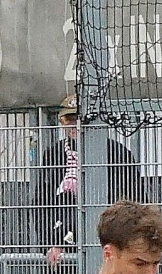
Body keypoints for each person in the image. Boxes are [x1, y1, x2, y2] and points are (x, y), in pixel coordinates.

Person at [31, 97, 148, 264]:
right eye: (68, 119)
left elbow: (135, 198)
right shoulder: (53, 154)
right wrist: (49, 244)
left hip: (108, 235)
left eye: (78, 119)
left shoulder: (117, 152)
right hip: (63, 237)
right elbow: (42, 202)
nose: (73, 125)